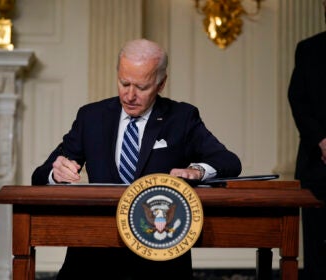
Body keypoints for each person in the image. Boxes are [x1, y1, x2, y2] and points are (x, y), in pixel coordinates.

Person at [32, 38, 242, 280]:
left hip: (159, 258)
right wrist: (55, 173)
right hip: (93, 257)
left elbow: (229, 161)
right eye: (124, 83)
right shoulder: (91, 117)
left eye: (141, 87)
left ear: (161, 84)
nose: (130, 95)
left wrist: (197, 170)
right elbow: (39, 175)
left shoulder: (182, 118)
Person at [288, 1, 326, 279]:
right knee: (317, 252)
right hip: (318, 169)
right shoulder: (309, 49)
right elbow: (298, 100)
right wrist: (321, 141)